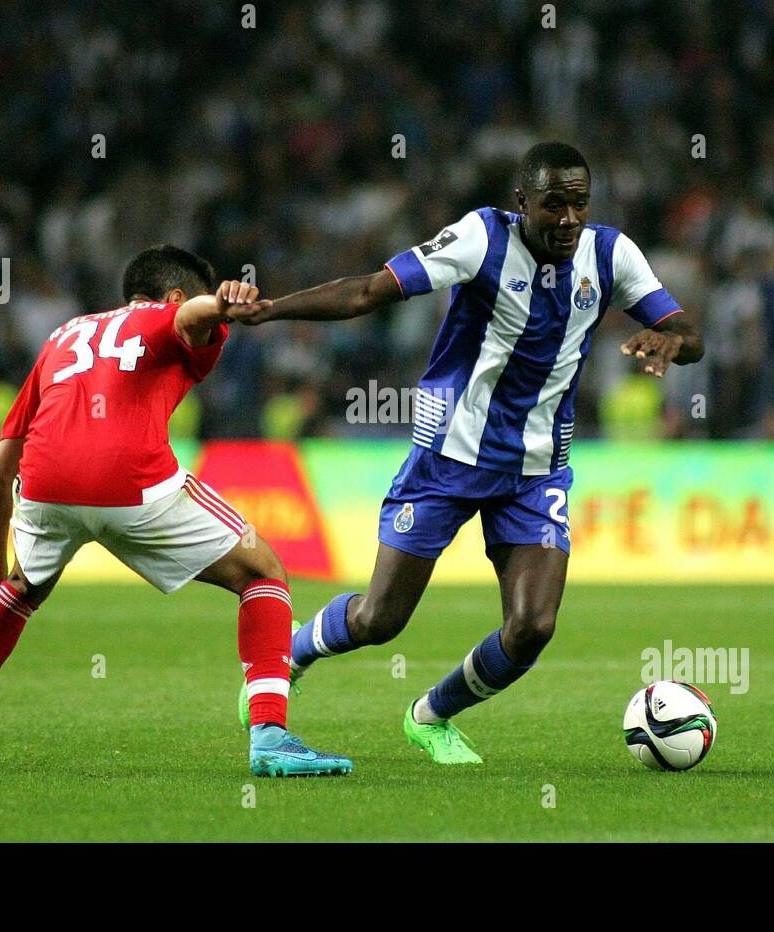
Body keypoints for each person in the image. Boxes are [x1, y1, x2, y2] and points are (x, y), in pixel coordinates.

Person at [237, 143, 704, 764]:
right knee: (380, 619)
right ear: (522, 204)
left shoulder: (611, 253)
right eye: (553, 205)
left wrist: (670, 339)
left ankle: (429, 715)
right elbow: (368, 293)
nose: (568, 219)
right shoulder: (480, 237)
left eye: (579, 204)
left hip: (537, 470)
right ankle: (291, 654)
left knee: (532, 626)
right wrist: (271, 310)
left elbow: (689, 332)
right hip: (448, 460)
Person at [0, 244, 352, 777]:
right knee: (264, 574)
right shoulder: (170, 316)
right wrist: (221, 303)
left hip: (45, 484)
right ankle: (271, 737)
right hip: (131, 483)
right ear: (172, 295)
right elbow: (189, 317)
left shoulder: (63, 335)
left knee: (21, 588)